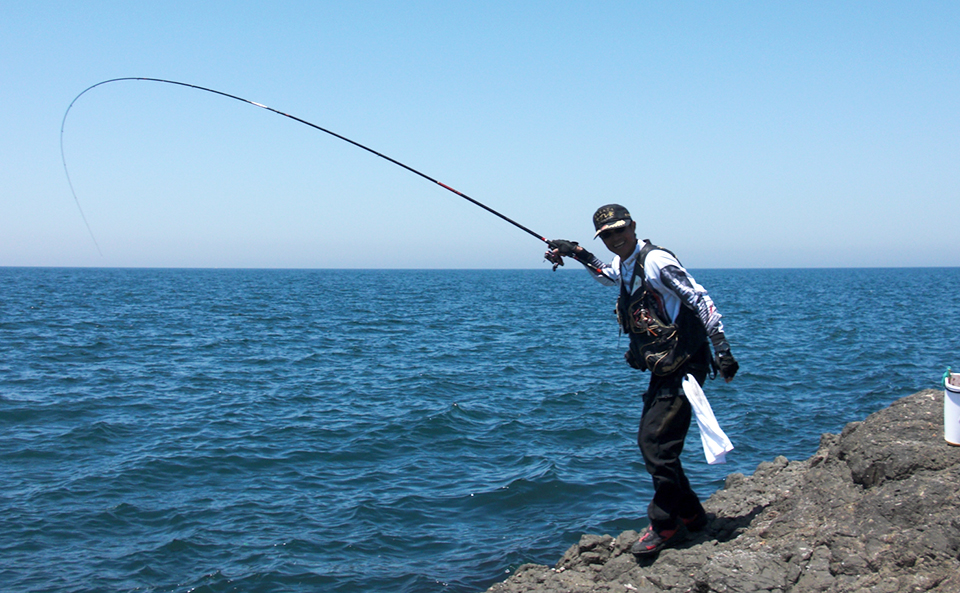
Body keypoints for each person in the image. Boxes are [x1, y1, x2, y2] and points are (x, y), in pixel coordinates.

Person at [544, 203, 739, 556]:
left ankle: (666, 524)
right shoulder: (625, 262)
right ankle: (692, 514)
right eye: (606, 235)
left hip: (684, 363)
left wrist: (722, 349)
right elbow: (609, 276)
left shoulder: (656, 261)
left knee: (656, 444)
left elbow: (699, 299)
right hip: (665, 366)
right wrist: (576, 252)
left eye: (619, 230)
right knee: (656, 443)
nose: (614, 238)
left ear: (633, 226)